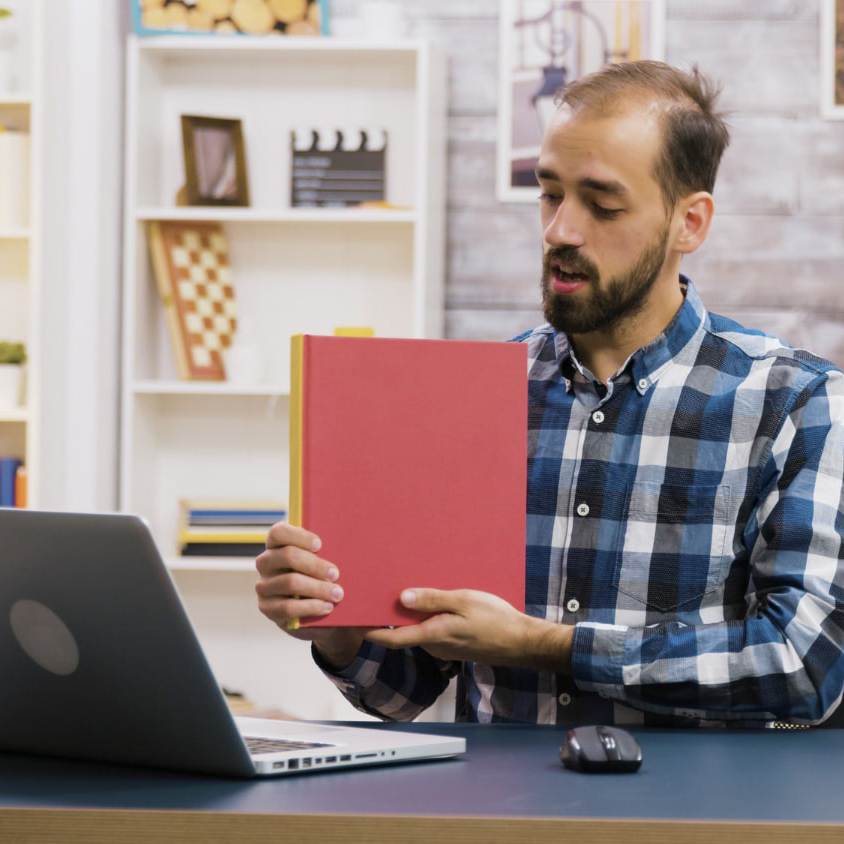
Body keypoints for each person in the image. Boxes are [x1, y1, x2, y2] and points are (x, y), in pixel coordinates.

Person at [256, 60, 844, 727]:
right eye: (550, 193)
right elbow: (403, 691)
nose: (560, 230)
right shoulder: (475, 395)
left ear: (691, 223)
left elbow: (803, 666)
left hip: (690, 821)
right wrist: (335, 627)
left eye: (602, 203)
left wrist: (541, 646)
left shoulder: (797, 404)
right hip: (500, 821)